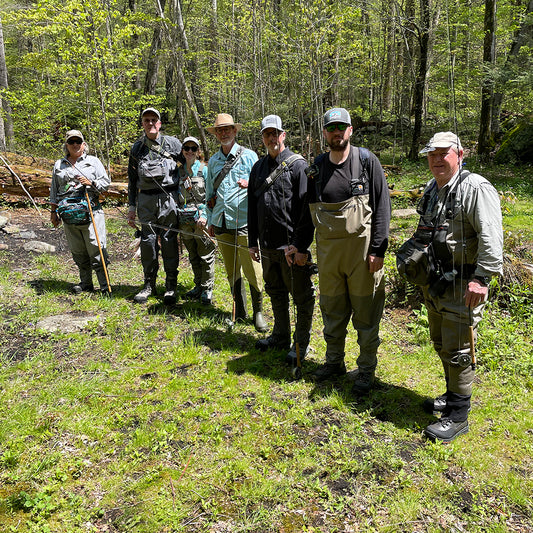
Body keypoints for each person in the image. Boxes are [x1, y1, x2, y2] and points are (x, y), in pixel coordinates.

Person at [289, 107, 391, 394]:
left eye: (341, 127)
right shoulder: (317, 168)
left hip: (363, 257)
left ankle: (366, 369)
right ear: (324, 133)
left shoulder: (367, 162)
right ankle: (334, 362)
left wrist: (379, 249)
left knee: (365, 316)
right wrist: (299, 244)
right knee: (332, 311)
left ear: (350, 131)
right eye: (331, 128)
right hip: (329, 257)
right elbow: (307, 212)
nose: (337, 132)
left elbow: (382, 207)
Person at [413, 131, 503, 442]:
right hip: (437, 282)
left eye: (443, 153)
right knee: (441, 342)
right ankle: (452, 395)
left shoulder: (474, 187)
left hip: (464, 283)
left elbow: (491, 234)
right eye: (432, 154)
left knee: (459, 348)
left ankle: (458, 415)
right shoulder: (433, 188)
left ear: (459, 154)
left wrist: (482, 278)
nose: (437, 159)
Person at [248, 115, 315, 364]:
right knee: (275, 293)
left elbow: (307, 210)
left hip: (291, 248)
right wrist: (252, 241)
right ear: (263, 137)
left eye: (275, 133)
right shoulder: (258, 168)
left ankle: (301, 343)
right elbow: (252, 207)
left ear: (283, 135)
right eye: (267, 134)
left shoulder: (298, 166)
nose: (271, 138)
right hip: (266, 247)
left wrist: (300, 246)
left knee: (301, 297)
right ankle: (280, 336)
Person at [205, 113, 267, 332]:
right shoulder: (212, 161)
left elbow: (262, 187)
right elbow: (210, 195)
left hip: (245, 222)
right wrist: (210, 219)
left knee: (253, 269)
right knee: (232, 269)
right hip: (221, 221)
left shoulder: (250, 157)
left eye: (227, 129)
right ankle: (239, 310)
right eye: (220, 130)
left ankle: (258, 312)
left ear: (235, 131)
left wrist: (250, 183)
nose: (224, 133)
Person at [127, 107, 182, 305]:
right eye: (146, 120)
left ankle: (170, 286)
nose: (150, 123)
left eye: (154, 120)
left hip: (169, 199)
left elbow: (188, 167)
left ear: (159, 123)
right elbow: (132, 180)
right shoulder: (137, 148)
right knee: (148, 242)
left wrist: (185, 197)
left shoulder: (174, 144)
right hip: (146, 201)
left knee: (168, 240)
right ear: (142, 124)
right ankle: (148, 284)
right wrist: (131, 207)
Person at [50, 130, 111, 294]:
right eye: (71, 142)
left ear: (84, 144)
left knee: (96, 247)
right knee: (78, 250)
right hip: (68, 213)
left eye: (78, 141)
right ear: (66, 145)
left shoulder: (93, 161)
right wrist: (53, 211)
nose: (75, 144)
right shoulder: (59, 164)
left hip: (92, 211)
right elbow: (54, 189)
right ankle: (85, 283)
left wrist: (91, 183)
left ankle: (105, 285)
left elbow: (106, 182)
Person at [177, 136, 216, 305]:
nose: (190, 151)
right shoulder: (178, 171)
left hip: (201, 218)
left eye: (194, 148)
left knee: (206, 254)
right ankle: (198, 285)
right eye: (187, 148)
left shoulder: (204, 170)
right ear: (182, 150)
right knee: (193, 255)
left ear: (198, 151)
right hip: (184, 220)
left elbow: (211, 196)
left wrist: (206, 216)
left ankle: (207, 288)